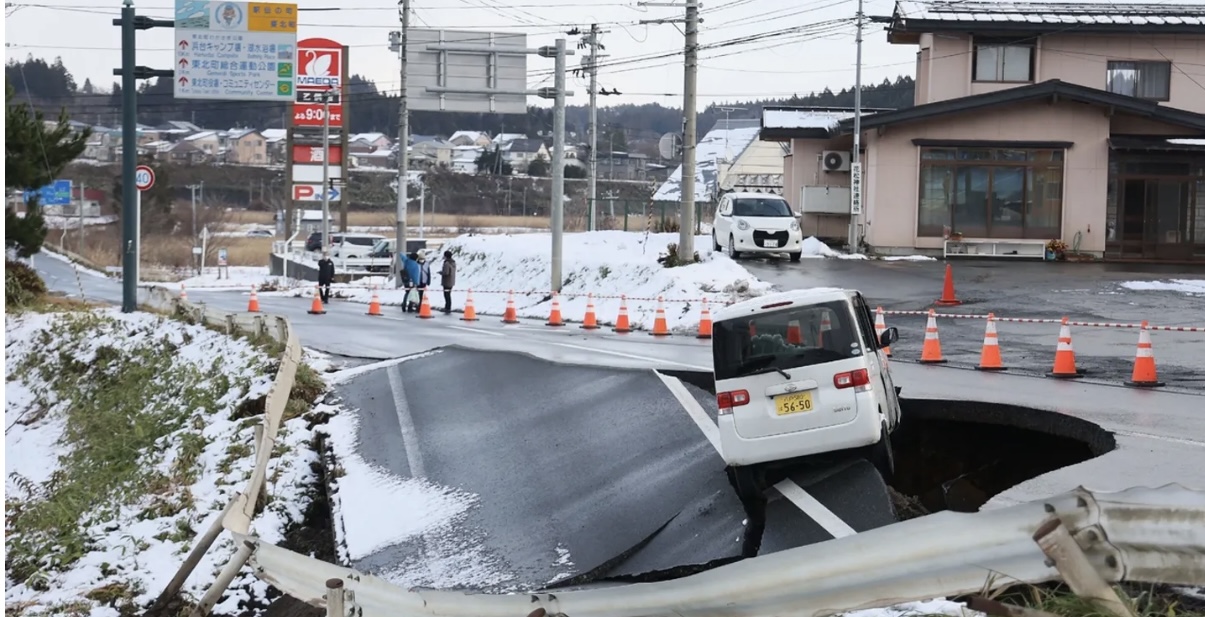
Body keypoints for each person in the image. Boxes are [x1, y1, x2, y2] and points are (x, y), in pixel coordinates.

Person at [439, 250, 457, 314]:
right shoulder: (453, 262)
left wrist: (441, 272)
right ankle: (448, 306)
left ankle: (447, 307)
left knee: (446, 295)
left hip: (447, 281)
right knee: (448, 294)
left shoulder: (446, 263)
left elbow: (446, 272)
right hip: (451, 281)